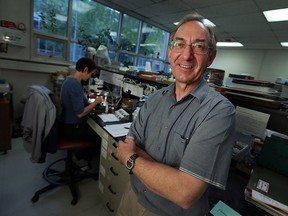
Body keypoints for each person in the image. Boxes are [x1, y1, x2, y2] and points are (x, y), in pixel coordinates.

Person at [116, 13, 236, 216]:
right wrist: (170, 177)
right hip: (132, 198)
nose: (187, 55)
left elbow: (184, 193)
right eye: (179, 44)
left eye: (198, 46)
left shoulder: (220, 112)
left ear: (211, 56)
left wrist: (131, 159)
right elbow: (131, 145)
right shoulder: (154, 99)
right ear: (170, 52)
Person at [59, 57, 102, 167]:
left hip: (64, 124)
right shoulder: (75, 85)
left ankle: (81, 156)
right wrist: (96, 102)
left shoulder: (69, 79)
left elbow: (81, 101)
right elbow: (80, 113)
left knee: (93, 130)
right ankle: (79, 156)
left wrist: (88, 98)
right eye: (91, 74)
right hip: (71, 128)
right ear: (85, 70)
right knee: (100, 138)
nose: (90, 77)